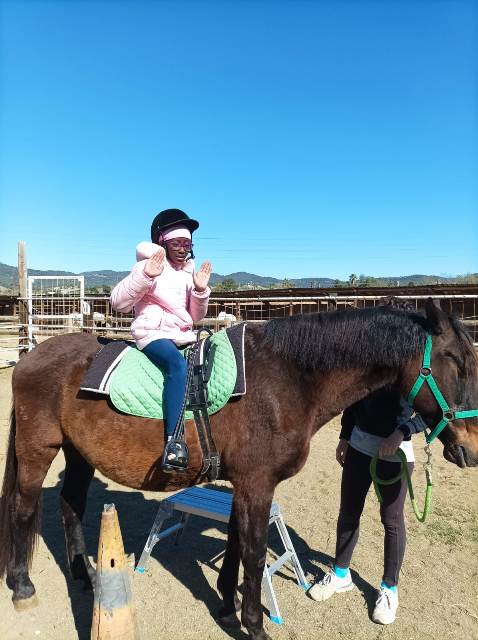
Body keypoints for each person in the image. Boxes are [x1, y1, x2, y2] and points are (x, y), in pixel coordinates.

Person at [308, 299, 427, 625]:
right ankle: (341, 573)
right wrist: (345, 435)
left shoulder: (413, 364)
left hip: (395, 452)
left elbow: (431, 413)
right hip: (360, 444)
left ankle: (389, 589)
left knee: (392, 520)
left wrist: (402, 432)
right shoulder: (368, 358)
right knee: (349, 511)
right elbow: (353, 398)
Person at [110, 208, 212, 470]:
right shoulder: (146, 266)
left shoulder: (188, 274)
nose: (183, 249)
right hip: (153, 333)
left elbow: (195, 316)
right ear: (161, 241)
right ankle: (174, 442)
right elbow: (118, 303)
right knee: (177, 365)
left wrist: (200, 291)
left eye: (187, 244)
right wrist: (145, 276)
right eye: (177, 243)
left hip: (182, 334)